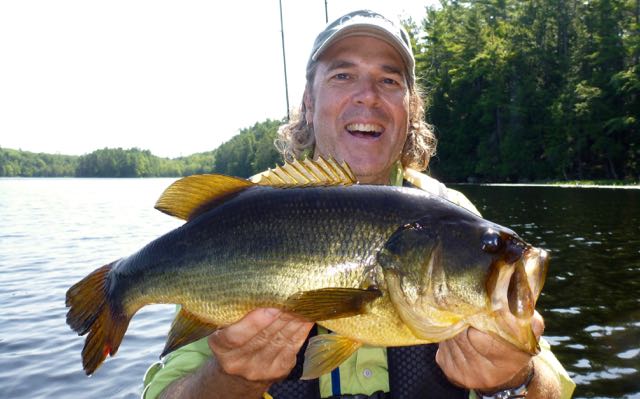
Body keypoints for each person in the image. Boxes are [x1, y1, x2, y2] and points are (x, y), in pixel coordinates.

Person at [142, 9, 575, 399]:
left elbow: (554, 389)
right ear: (309, 104)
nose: (368, 96)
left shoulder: (456, 216)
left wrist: (515, 379)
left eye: (389, 80)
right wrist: (231, 376)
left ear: (411, 109)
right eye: (342, 76)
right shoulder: (246, 209)